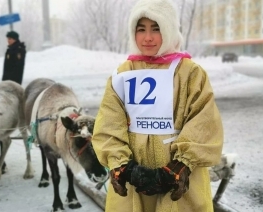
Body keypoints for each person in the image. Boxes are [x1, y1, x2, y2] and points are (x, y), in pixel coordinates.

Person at [91, 0, 224, 211]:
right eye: (140, 29)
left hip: (179, 181)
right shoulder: (123, 74)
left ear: (169, 29)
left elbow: (203, 122)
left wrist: (181, 166)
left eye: (156, 28)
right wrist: (120, 165)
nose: (148, 37)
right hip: (133, 181)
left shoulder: (190, 73)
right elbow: (108, 124)